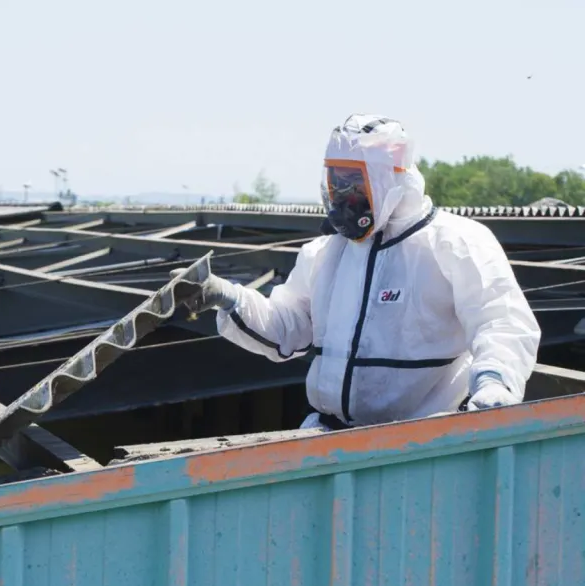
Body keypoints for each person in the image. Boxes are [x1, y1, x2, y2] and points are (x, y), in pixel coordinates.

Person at [175, 114, 541, 430]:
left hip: (426, 445)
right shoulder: (325, 253)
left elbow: (501, 321)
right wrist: (225, 295)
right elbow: (288, 327)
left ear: (390, 178)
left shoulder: (455, 242)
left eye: (353, 182)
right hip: (331, 439)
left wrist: (495, 382)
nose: (341, 195)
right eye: (335, 181)